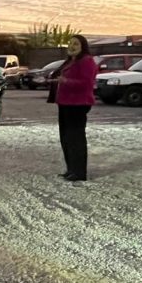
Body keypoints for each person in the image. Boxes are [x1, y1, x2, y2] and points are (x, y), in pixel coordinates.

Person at [54, 35, 97, 181]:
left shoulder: (87, 61)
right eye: (70, 43)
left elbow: (86, 83)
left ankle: (79, 172)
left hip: (78, 104)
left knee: (76, 138)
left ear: (82, 46)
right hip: (65, 103)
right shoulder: (70, 62)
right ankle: (71, 169)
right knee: (66, 138)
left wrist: (66, 81)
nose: (71, 46)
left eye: (76, 44)